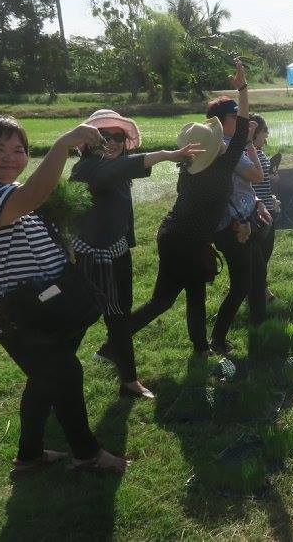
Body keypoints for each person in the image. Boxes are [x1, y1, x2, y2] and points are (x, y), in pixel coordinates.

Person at [0, 115, 128, 476]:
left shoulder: (0, 187)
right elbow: (30, 198)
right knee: (64, 374)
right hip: (17, 314)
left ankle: (29, 456)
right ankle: (87, 454)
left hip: (43, 304)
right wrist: (62, 145)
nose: (10, 157)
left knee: (45, 380)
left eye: (19, 150)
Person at [69, 109, 201, 399]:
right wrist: (167, 154)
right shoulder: (86, 169)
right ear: (88, 142)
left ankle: (128, 382)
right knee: (82, 317)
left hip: (116, 253)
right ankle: (53, 374)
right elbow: (120, 168)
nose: (111, 142)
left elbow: (122, 177)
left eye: (118, 137)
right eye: (103, 136)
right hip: (91, 258)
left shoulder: (117, 172)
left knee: (119, 315)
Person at [127, 59, 254, 354]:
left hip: (179, 236)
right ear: (213, 149)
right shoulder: (220, 169)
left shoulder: (190, 167)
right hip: (183, 241)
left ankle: (200, 348)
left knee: (196, 294)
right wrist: (243, 88)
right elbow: (243, 128)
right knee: (163, 300)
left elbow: (239, 131)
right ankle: (114, 343)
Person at [207, 97, 272, 355]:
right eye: (235, 117)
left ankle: (258, 329)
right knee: (242, 284)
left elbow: (247, 185)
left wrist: (258, 201)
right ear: (220, 122)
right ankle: (218, 339)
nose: (241, 120)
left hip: (244, 219)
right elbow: (257, 175)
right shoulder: (223, 146)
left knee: (257, 275)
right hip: (231, 227)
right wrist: (247, 142)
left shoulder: (231, 143)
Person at [248, 115, 280, 302]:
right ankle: (261, 291)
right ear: (255, 132)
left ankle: (254, 287)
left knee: (264, 254)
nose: (266, 135)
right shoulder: (247, 153)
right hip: (256, 212)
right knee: (260, 255)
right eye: (264, 131)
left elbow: (263, 181)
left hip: (267, 208)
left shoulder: (259, 152)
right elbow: (248, 183)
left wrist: (272, 183)